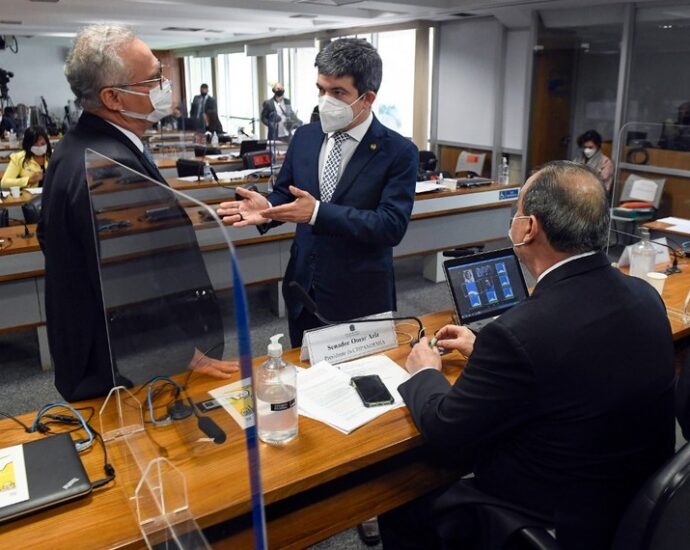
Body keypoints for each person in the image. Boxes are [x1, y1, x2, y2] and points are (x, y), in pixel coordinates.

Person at [380, 161, 675, 550]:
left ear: (529, 227)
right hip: (632, 504)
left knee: (399, 502)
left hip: (555, 520)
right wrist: (484, 350)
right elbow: (575, 365)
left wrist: (424, 372)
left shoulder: (519, 331)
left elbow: (445, 434)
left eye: (516, 211)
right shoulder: (645, 295)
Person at [38, 24, 236, 402]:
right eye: (154, 78)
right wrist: (181, 351)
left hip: (99, 347)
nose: (166, 85)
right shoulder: (107, 166)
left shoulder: (77, 146)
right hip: (129, 363)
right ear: (113, 97)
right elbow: (129, 281)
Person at [218, 38, 418, 347]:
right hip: (303, 288)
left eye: (338, 92)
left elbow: (390, 226)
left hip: (360, 295)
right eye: (320, 89)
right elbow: (288, 193)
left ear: (367, 98)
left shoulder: (398, 151)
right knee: (303, 368)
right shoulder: (306, 136)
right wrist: (267, 208)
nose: (325, 100)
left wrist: (317, 213)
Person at [574, 129, 614, 194]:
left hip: (596, 195)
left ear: (597, 146)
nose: (587, 150)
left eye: (590, 147)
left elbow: (599, 182)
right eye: (585, 147)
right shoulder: (579, 159)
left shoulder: (606, 162)